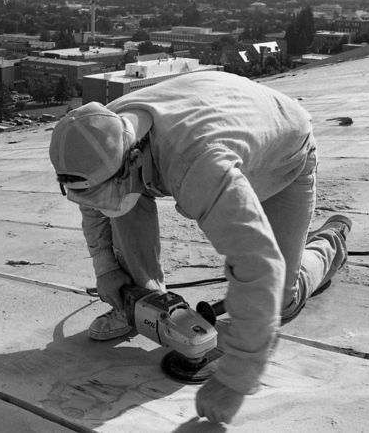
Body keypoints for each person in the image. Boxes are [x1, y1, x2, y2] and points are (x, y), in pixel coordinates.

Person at [48, 71, 351, 424]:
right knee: (125, 197)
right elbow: (95, 201)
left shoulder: (197, 163)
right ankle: (145, 298)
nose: (101, 206)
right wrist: (107, 269)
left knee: (281, 298)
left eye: (105, 194)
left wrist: (236, 378)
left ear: (131, 157)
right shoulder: (102, 133)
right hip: (216, 115)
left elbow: (257, 263)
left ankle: (333, 241)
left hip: (284, 151)